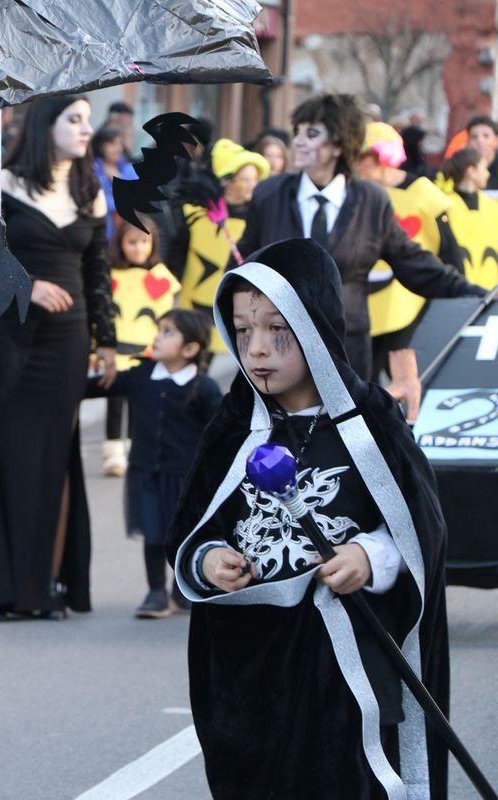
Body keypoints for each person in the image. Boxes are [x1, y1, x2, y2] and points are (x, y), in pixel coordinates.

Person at [168, 238, 450, 798]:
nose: (258, 350)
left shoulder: (369, 420)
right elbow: (194, 528)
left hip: (344, 667)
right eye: (243, 331)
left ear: (315, 325)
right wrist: (208, 560)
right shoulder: (232, 427)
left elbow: (421, 526)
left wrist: (371, 556)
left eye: (279, 330)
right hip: (250, 665)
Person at [0, 94, 117, 619]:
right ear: (45, 126)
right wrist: (25, 286)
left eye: (88, 120)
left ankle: (43, 586)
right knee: (4, 459)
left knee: (54, 460)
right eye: (74, 119)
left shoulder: (90, 192)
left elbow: (98, 276)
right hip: (7, 342)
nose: (86, 129)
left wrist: (110, 343)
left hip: (67, 344)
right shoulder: (3, 188)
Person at [235, 93, 485, 379]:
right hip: (276, 351)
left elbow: (414, 263)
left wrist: (478, 294)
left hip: (346, 353)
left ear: (339, 145)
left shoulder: (371, 201)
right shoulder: (270, 195)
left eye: (312, 133)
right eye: (298, 132)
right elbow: (245, 263)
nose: (299, 142)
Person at [87, 308, 221, 618]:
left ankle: (181, 590)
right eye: (160, 330)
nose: (157, 337)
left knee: (183, 534)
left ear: (190, 349)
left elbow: (220, 429)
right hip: (145, 472)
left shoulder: (204, 388)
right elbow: (99, 385)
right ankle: (156, 591)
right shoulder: (142, 376)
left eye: (168, 332)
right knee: (152, 531)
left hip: (185, 477)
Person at [357, 121, 466, 381]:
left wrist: (458, 293)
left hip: (410, 300)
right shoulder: (356, 193)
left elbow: (449, 249)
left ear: (377, 157)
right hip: (362, 302)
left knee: (404, 376)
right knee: (363, 377)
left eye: (359, 157)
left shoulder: (422, 192)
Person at [169, 138, 271, 350]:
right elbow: (176, 256)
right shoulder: (195, 215)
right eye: (246, 179)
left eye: (256, 179)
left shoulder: (264, 215)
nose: (253, 185)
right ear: (228, 182)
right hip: (199, 307)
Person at [102, 219, 181, 476]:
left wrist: (169, 353)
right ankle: (113, 453)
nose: (138, 248)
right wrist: (96, 348)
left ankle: (137, 449)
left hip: (147, 351)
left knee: (141, 402)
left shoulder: (160, 277)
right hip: (115, 350)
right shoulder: (110, 276)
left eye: (144, 241)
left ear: (153, 243)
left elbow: (167, 320)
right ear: (121, 243)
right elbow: (102, 316)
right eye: (132, 242)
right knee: (115, 403)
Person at [442, 146, 498, 289]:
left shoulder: (492, 206)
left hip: (493, 291)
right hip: (460, 289)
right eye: (484, 169)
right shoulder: (444, 206)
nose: (487, 174)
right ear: (471, 172)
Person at [93, 126, 137, 240]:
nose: (117, 148)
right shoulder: (92, 169)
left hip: (128, 233)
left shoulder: (129, 169)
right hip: (101, 231)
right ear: (100, 146)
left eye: (119, 144)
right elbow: (99, 201)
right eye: (111, 144)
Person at [465, 115, 498, 191]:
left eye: (486, 136)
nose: (480, 141)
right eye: (474, 137)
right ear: (467, 143)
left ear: (496, 141)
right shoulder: (463, 167)